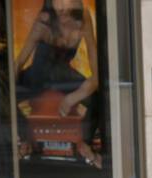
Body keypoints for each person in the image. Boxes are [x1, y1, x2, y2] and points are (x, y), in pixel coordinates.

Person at [14, 0, 101, 168]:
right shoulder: (44, 19)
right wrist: (7, 87)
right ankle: (25, 141)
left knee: (96, 98)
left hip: (61, 77)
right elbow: (18, 63)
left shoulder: (83, 18)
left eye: (65, 0)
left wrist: (72, 98)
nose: (61, 7)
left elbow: (97, 74)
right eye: (56, 1)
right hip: (37, 77)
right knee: (5, 94)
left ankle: (86, 146)